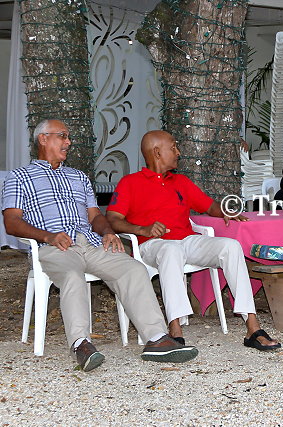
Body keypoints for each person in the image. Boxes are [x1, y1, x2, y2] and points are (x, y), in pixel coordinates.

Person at [2, 119, 198, 371]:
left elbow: (95, 216)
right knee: (72, 276)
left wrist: (108, 232)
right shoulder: (20, 177)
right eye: (62, 136)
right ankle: (81, 344)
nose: (68, 142)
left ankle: (156, 339)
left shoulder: (78, 177)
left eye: (68, 137)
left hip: (91, 244)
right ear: (43, 139)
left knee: (133, 269)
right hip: (54, 247)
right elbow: (12, 222)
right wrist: (47, 236)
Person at [106, 130, 281, 351]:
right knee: (171, 250)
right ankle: (175, 329)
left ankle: (253, 328)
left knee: (230, 246)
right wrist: (142, 229)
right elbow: (112, 219)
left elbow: (209, 206)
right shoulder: (130, 183)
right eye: (173, 147)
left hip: (186, 241)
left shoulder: (180, 181)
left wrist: (225, 211)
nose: (178, 152)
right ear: (157, 152)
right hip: (152, 244)